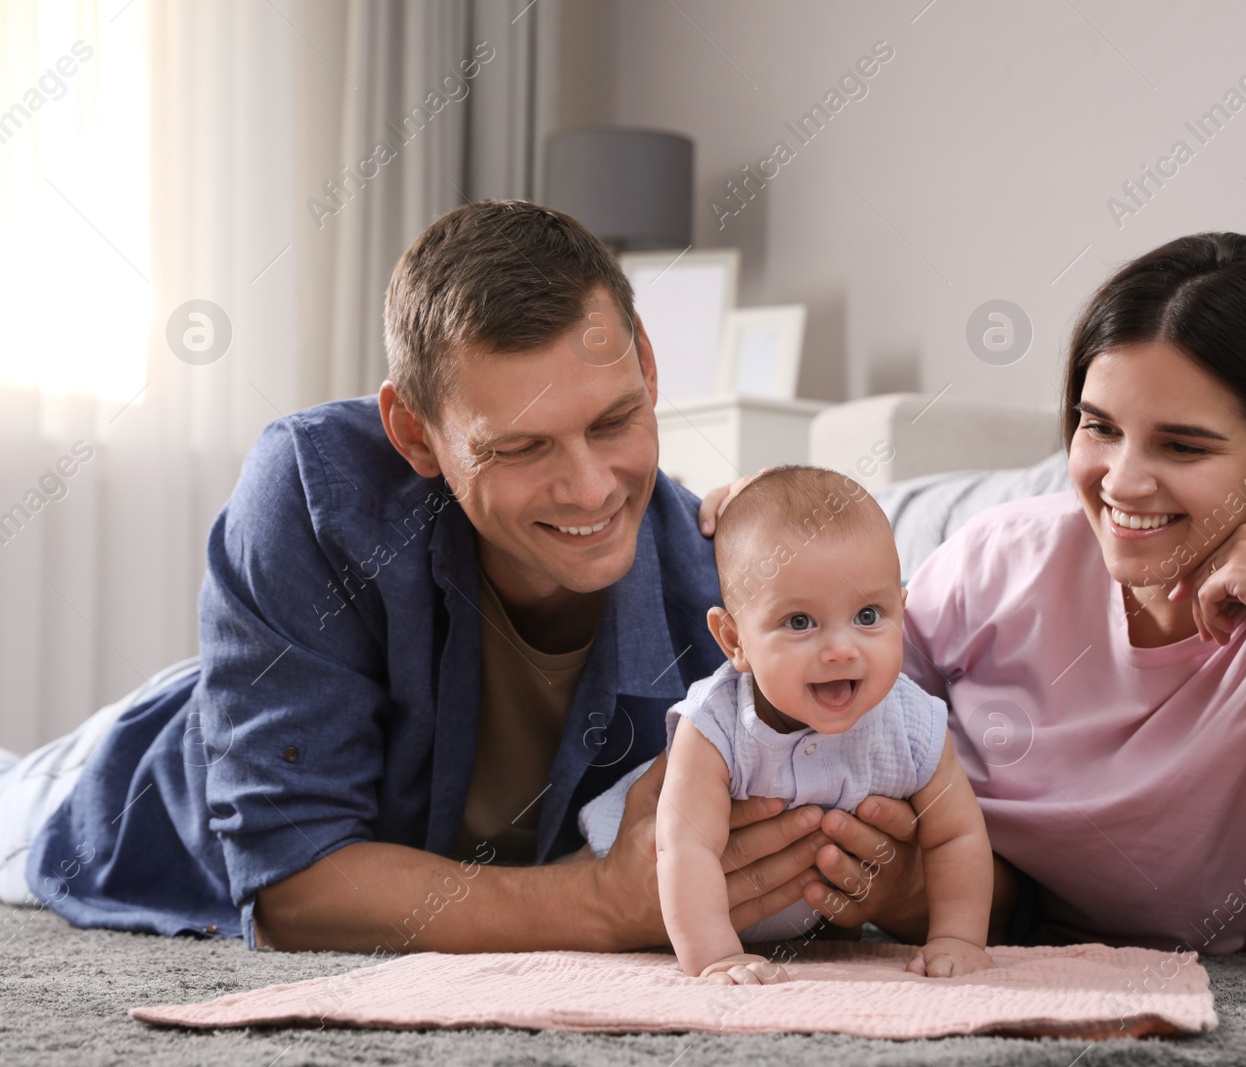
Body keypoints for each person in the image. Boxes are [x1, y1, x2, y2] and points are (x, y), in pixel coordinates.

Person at [0, 201, 837, 953]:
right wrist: (594, 904)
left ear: (647, 366)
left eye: (614, 420)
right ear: (414, 431)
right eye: (520, 446)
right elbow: (297, 884)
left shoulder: (727, 588)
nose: (590, 489)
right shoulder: (311, 491)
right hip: (139, 779)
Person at [704, 233, 1246, 986]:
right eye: (1099, 426)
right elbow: (797, 706)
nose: (1122, 482)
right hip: (953, 901)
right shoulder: (1001, 556)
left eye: (1183, 446)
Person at [581, 466, 995, 984]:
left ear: (902, 614)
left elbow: (956, 835)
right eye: (800, 622)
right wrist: (715, 955)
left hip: (803, 916)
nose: (842, 650)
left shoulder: (915, 725)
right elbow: (684, 849)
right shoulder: (713, 728)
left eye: (869, 616)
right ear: (734, 641)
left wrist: (957, 937)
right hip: (660, 897)